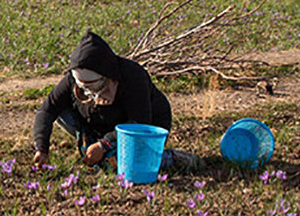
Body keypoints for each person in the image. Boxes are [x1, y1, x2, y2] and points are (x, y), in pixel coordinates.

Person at [31, 30, 200, 170]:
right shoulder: (72, 80)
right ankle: (92, 146)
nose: (86, 91)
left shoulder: (133, 76)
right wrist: (41, 148)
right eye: (82, 86)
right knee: (62, 111)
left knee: (120, 165)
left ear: (105, 77)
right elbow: (47, 109)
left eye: (92, 86)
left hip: (143, 129)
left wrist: (104, 144)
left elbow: (139, 122)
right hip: (100, 125)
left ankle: (168, 158)